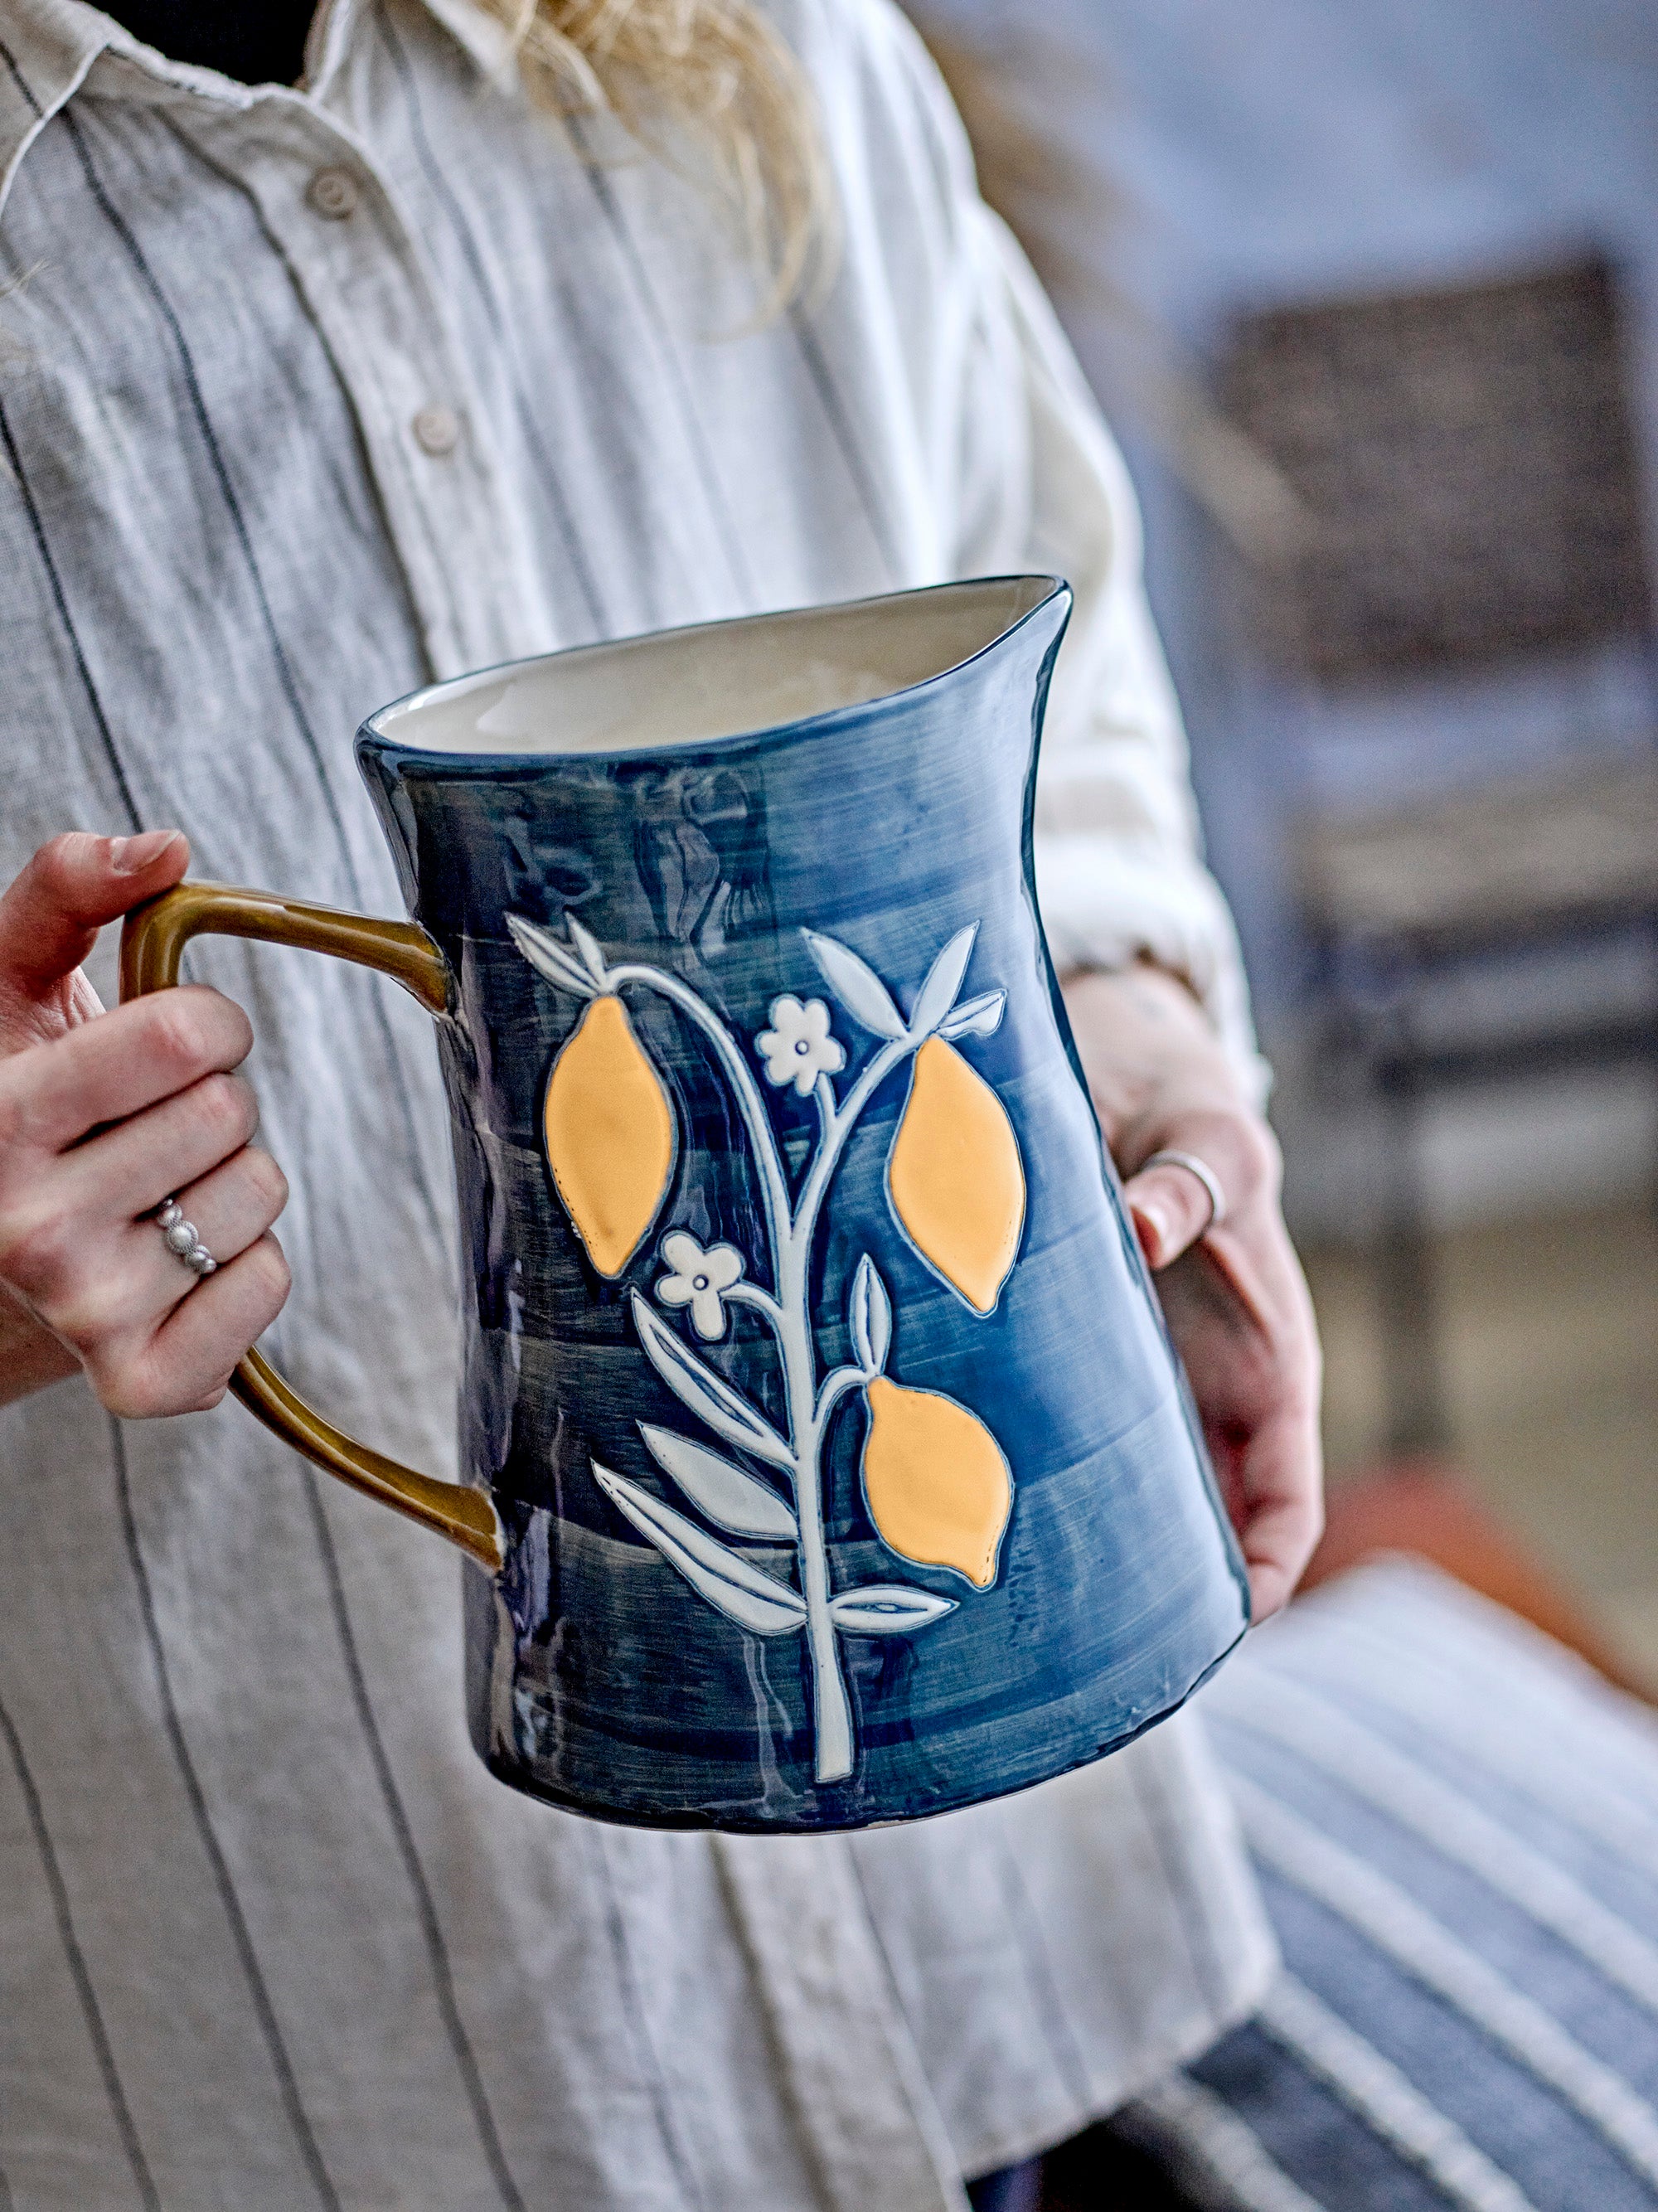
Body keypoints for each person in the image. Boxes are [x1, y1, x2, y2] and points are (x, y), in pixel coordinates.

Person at [0, 0, 1322, 2204]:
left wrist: (1133, 1023)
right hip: (298, 2061)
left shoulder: (772, 37)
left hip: (984, 1938)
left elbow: (1042, 639)